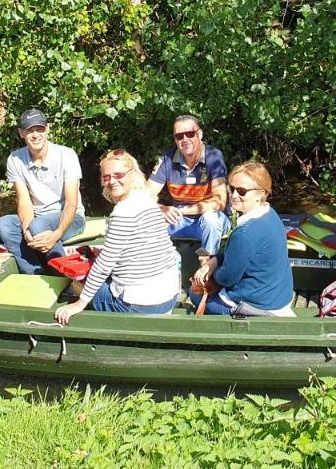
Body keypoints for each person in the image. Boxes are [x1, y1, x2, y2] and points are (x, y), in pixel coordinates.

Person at [55, 150, 181, 321]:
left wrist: (79, 303)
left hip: (139, 306)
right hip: (169, 297)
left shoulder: (123, 212)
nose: (111, 181)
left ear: (132, 175)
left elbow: (104, 265)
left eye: (118, 175)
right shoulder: (149, 202)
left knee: (76, 284)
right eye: (106, 177)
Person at [190, 161, 295, 317]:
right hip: (279, 297)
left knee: (194, 293)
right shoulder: (270, 214)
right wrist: (214, 261)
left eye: (242, 191)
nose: (234, 195)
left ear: (261, 193)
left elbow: (226, 279)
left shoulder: (245, 233)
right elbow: (238, 256)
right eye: (231, 189)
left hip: (260, 307)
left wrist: (210, 270)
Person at [0, 108, 86, 275]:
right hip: (37, 218)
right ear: (21, 133)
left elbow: (71, 202)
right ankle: (35, 271)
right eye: (30, 130)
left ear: (47, 129)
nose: (35, 135)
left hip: (71, 218)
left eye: (39, 129)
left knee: (38, 225)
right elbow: (24, 201)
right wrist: (26, 230)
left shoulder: (67, 155)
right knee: (5, 224)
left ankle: (62, 275)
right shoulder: (15, 159)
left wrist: (56, 234)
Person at [147, 114, 231, 254]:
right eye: (179, 136)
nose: (185, 139)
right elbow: (143, 198)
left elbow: (219, 202)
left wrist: (182, 210)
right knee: (148, 220)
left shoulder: (214, 156)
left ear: (200, 134)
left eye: (190, 134)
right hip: (178, 220)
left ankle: (207, 268)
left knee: (211, 219)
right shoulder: (167, 159)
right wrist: (162, 209)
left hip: (210, 220)